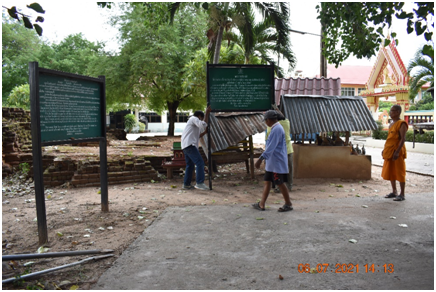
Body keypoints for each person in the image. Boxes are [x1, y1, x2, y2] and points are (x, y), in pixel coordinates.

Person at [253, 110, 293, 212]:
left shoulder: (277, 129)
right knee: (267, 181)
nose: (266, 123)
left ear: (269, 120)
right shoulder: (275, 128)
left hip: (276, 162)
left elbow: (271, 147)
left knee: (279, 183)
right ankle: (261, 204)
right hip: (272, 162)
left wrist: (260, 159)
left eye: (266, 121)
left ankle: (288, 204)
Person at [181, 106, 211, 190]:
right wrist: (207, 113)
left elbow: (197, 136)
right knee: (200, 162)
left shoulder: (192, 123)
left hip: (186, 146)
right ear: (199, 116)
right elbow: (203, 125)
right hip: (190, 145)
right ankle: (200, 183)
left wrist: (205, 132)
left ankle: (186, 184)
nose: (201, 120)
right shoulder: (193, 118)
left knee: (190, 165)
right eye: (201, 118)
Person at [382, 105, 408, 201]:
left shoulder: (402, 124)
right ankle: (394, 191)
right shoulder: (391, 124)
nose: (390, 113)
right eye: (390, 111)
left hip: (397, 151)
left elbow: (403, 139)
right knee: (390, 171)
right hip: (389, 150)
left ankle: (402, 194)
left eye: (392, 111)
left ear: (397, 112)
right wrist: (384, 150)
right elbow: (390, 139)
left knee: (400, 172)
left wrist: (397, 152)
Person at [265, 108, 293, 192]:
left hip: (278, 153)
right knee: (288, 170)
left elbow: (268, 140)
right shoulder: (287, 122)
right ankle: (289, 186)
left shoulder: (273, 127)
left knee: (278, 172)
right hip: (288, 150)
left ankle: (279, 188)